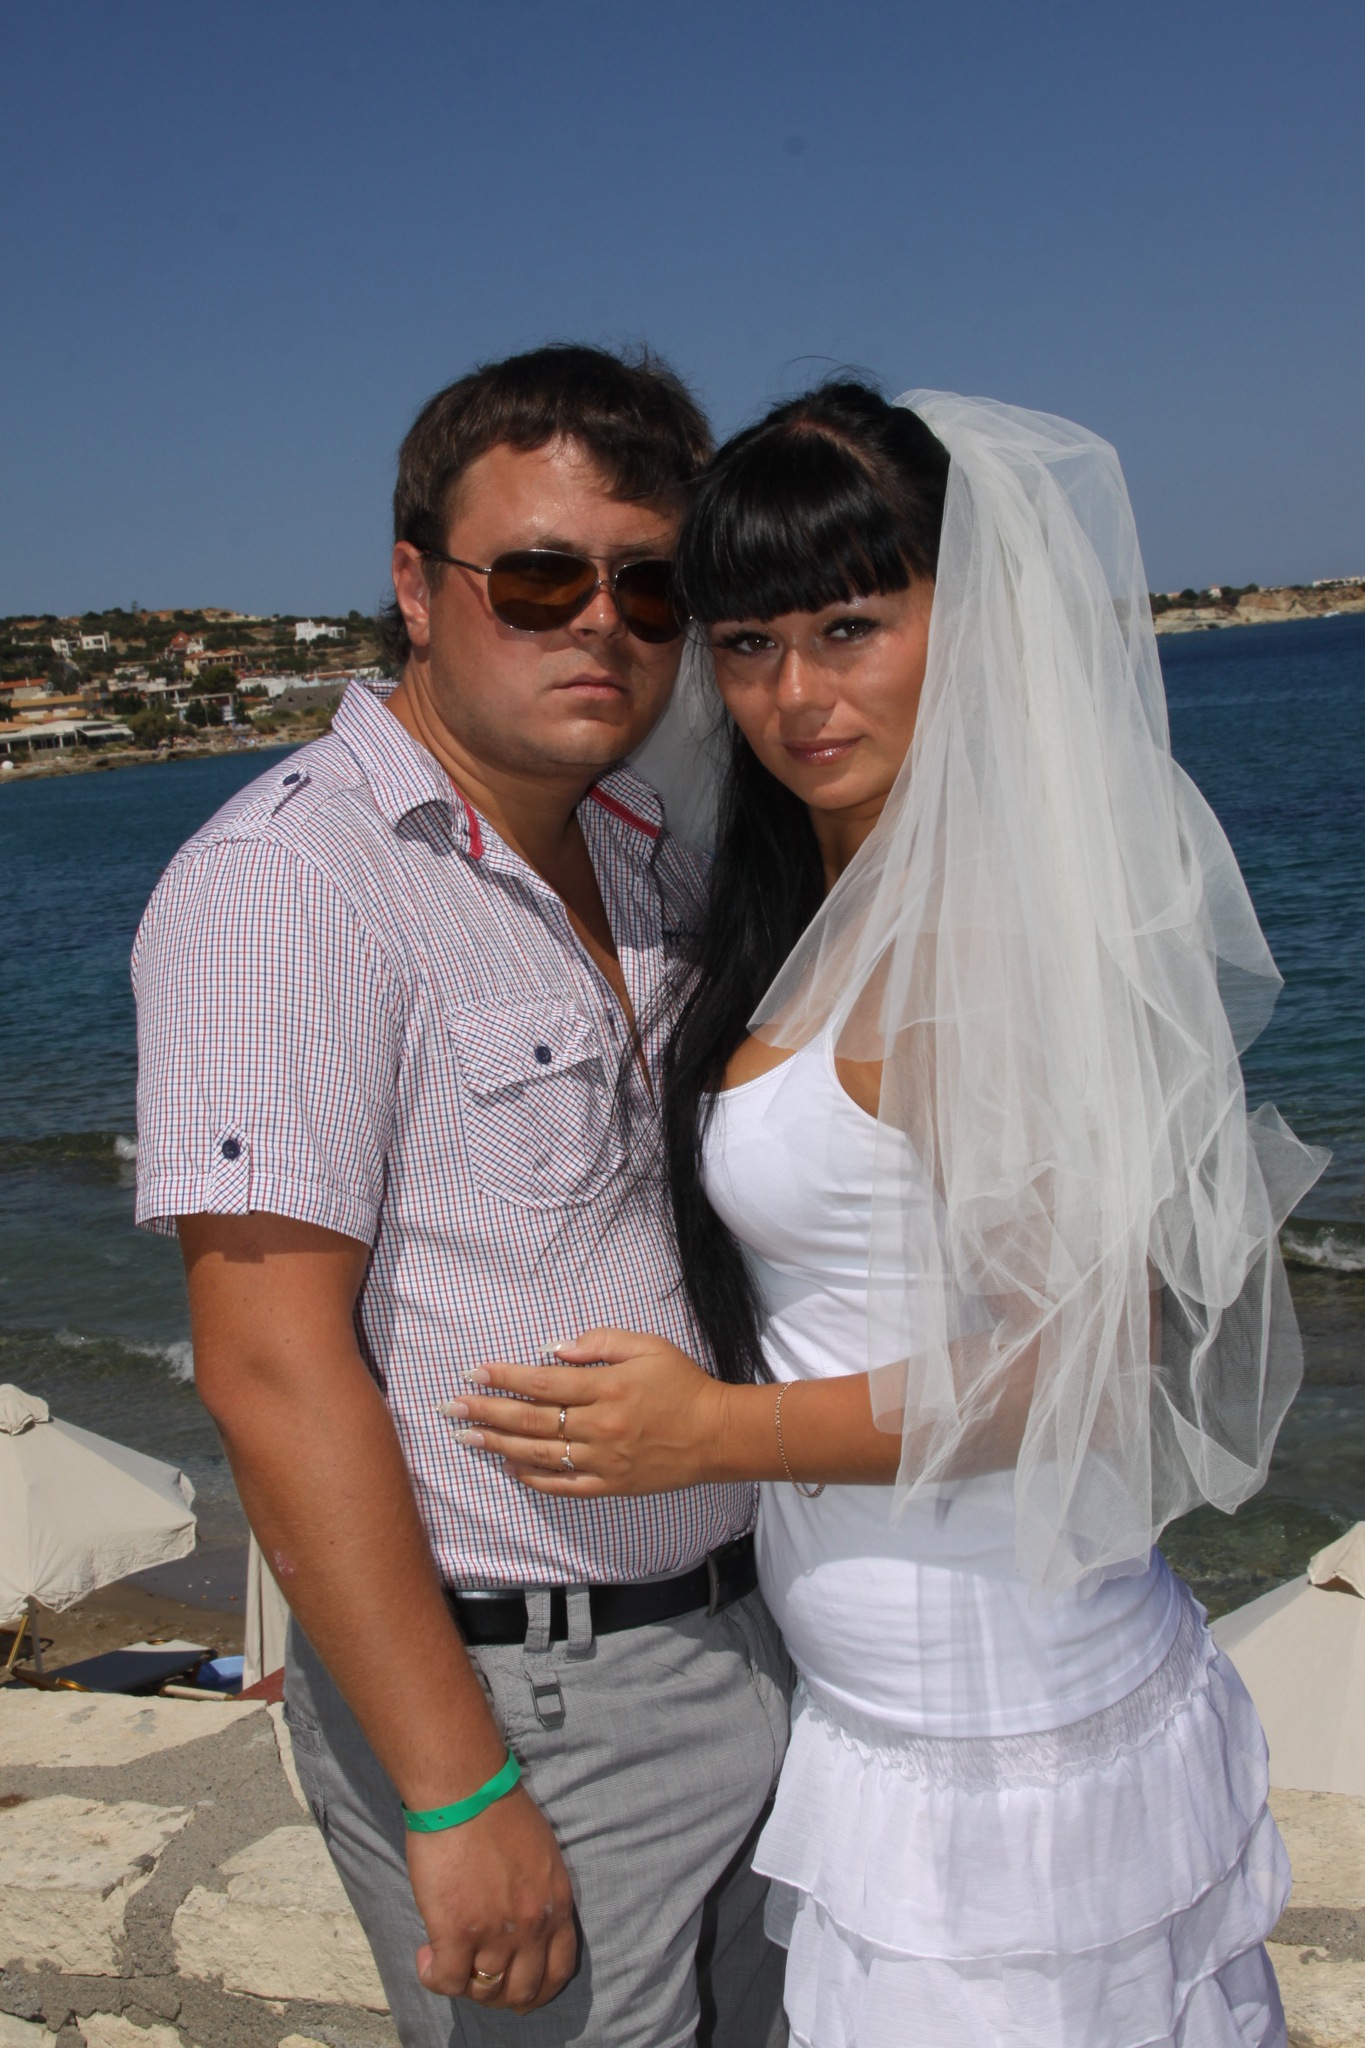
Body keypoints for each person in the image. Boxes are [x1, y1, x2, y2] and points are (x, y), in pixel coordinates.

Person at [450, 383, 1324, 2047]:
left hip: (997, 1722)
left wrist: (709, 1433)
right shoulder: (832, 899)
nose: (796, 695)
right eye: (750, 644)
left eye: (852, 627)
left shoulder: (972, 945)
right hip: (899, 1705)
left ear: (965, 618)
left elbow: (1078, 1363)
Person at [132, 343, 790, 2048]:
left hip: (747, 1639)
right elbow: (268, 1367)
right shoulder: (289, 886)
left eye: (653, 587)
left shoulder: (644, 847)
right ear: (419, 590)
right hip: (522, 1698)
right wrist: (454, 1789)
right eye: (542, 578)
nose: (603, 626)